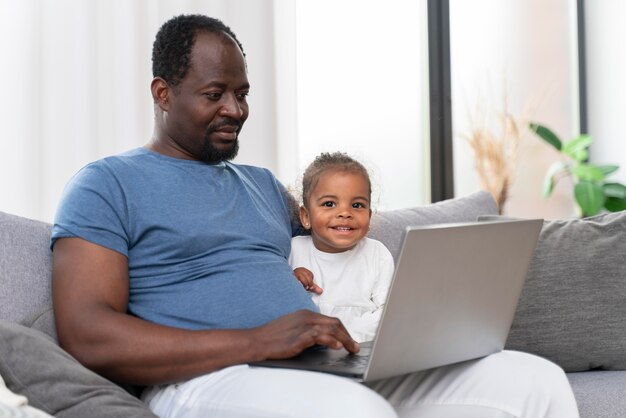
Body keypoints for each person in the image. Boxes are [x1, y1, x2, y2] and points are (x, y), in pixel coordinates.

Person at [50, 14, 580, 417]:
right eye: (215, 94)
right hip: (204, 380)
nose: (236, 110)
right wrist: (260, 339)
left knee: (532, 380)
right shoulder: (107, 184)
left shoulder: (261, 186)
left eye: (242, 93)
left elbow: (329, 242)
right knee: (356, 412)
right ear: (162, 94)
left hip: (320, 367)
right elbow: (87, 333)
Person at [290, 152, 394, 342]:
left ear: (369, 216)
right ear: (306, 216)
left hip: (361, 347)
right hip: (309, 349)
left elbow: (390, 311)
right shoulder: (293, 250)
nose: (345, 213)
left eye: (357, 205)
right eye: (329, 204)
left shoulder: (376, 254)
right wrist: (291, 279)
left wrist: (348, 334)